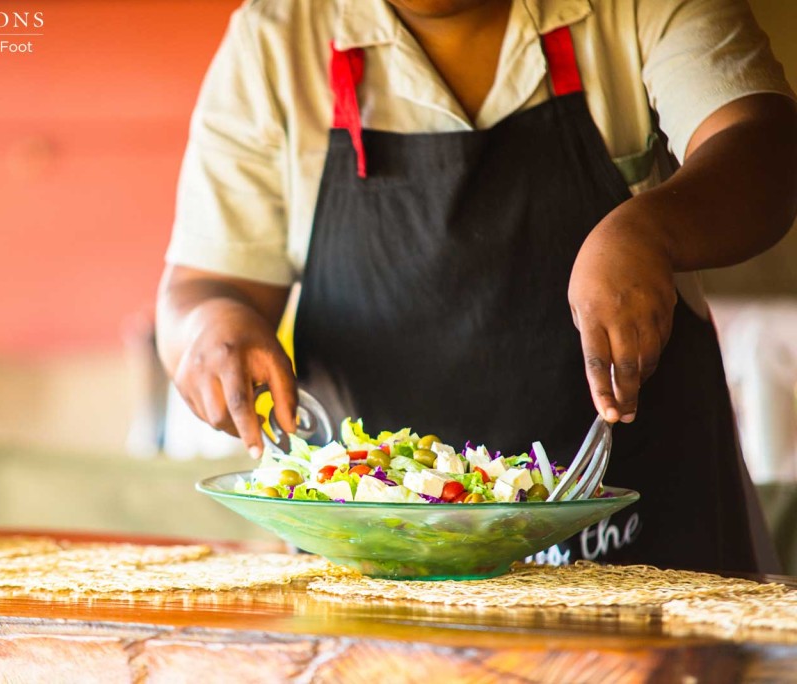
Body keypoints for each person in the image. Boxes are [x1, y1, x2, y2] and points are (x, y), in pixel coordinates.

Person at [156, 0, 797, 573]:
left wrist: (650, 230)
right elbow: (204, 284)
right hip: (377, 567)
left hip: (647, 549)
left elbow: (765, 146)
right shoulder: (274, 41)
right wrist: (209, 328)